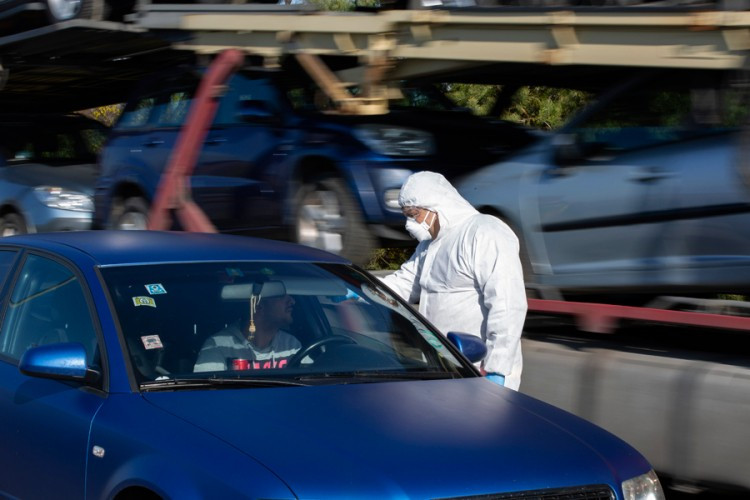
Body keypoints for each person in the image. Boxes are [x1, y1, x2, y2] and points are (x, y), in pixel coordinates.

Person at [381, 171, 527, 390]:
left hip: (480, 370)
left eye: (414, 214)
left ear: (434, 205)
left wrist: (497, 369)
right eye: (406, 215)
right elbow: (404, 283)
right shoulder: (428, 246)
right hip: (443, 368)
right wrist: (361, 289)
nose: (410, 223)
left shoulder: (485, 231)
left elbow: (507, 304)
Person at [193, 287, 301, 372]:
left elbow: (311, 381)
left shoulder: (291, 345)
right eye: (282, 295)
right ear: (258, 306)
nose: (292, 301)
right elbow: (208, 394)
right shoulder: (218, 345)